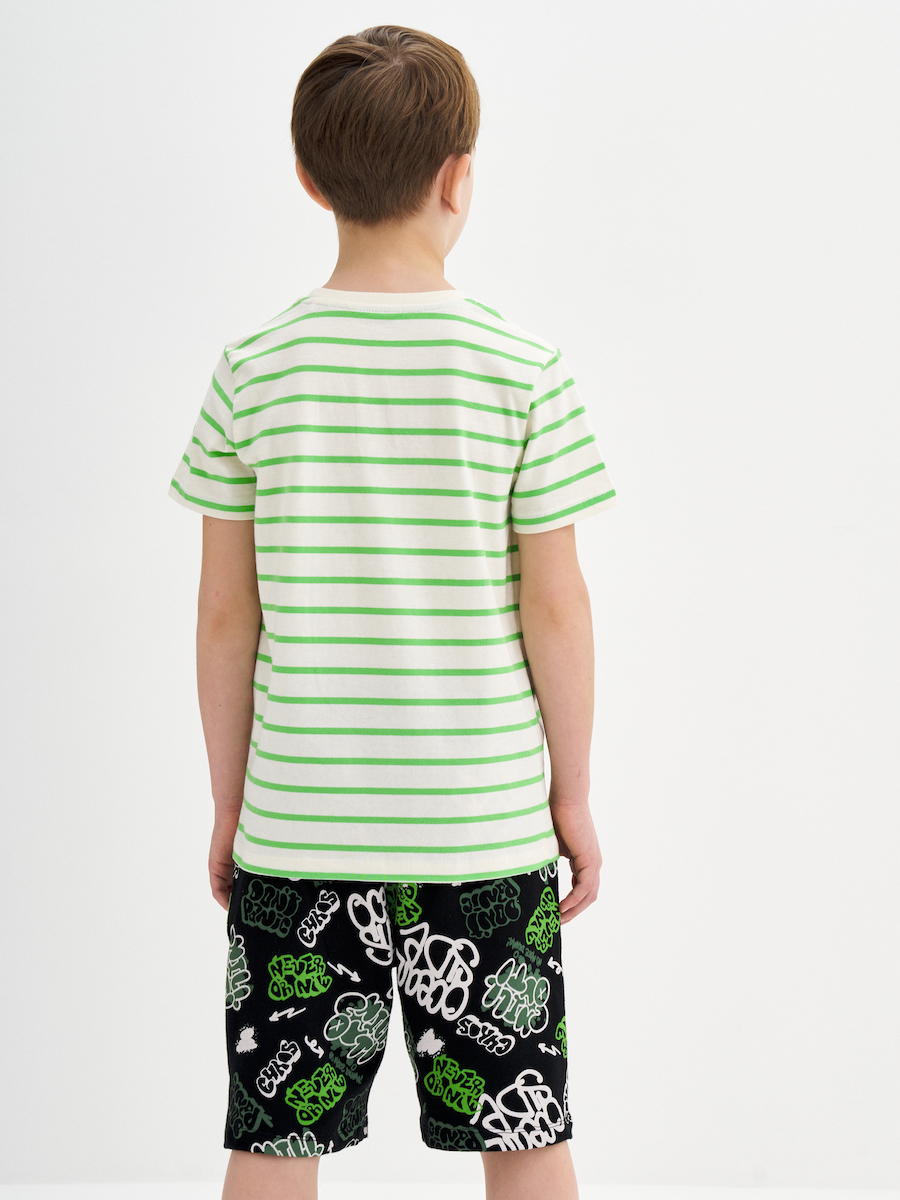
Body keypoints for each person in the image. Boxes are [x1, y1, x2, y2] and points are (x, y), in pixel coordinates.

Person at [168, 24, 618, 1200]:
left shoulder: (253, 370)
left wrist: (232, 802)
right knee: (525, 1134)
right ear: (459, 176)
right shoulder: (523, 369)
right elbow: (556, 607)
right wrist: (570, 795)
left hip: (298, 836)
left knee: (275, 1142)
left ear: (308, 179)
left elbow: (225, 618)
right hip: (482, 836)